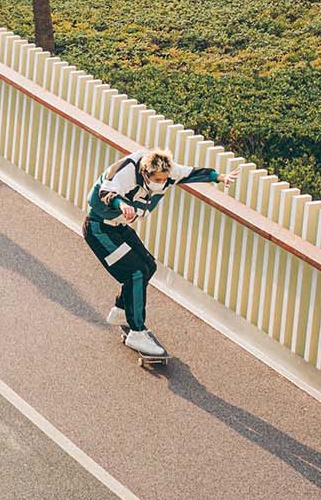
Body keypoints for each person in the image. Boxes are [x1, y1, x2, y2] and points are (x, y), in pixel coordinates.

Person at [83, 148, 229, 359]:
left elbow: (190, 173)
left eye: (164, 179)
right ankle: (137, 332)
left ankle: (121, 311)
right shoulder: (126, 170)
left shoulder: (168, 172)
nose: (161, 183)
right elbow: (105, 191)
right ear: (145, 173)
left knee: (148, 266)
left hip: (119, 227)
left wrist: (218, 177)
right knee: (135, 272)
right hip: (99, 229)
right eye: (157, 179)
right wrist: (121, 204)